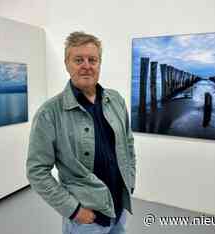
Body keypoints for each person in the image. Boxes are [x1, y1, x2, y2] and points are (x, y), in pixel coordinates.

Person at [26, 31, 136, 234]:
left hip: (119, 209)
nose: (86, 65)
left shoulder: (116, 101)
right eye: (79, 60)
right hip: (86, 220)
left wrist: (130, 183)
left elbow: (128, 144)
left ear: (99, 63)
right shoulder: (49, 113)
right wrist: (74, 210)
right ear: (67, 64)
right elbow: (37, 171)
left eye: (92, 59)